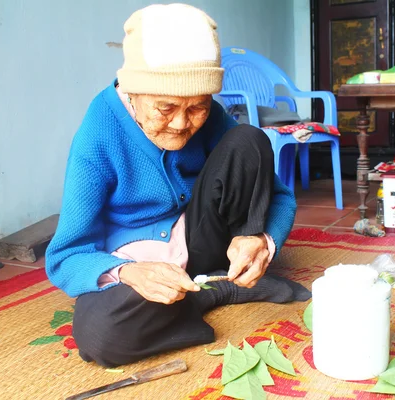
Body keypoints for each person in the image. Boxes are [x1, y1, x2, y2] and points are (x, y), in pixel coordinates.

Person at [46, 3, 309, 368]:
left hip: (203, 238)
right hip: (140, 265)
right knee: (99, 336)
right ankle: (215, 290)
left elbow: (279, 197)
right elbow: (65, 257)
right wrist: (129, 272)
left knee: (250, 141)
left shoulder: (211, 117)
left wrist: (263, 241)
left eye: (198, 107)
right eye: (166, 108)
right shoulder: (98, 136)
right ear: (132, 93)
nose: (181, 124)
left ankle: (220, 276)